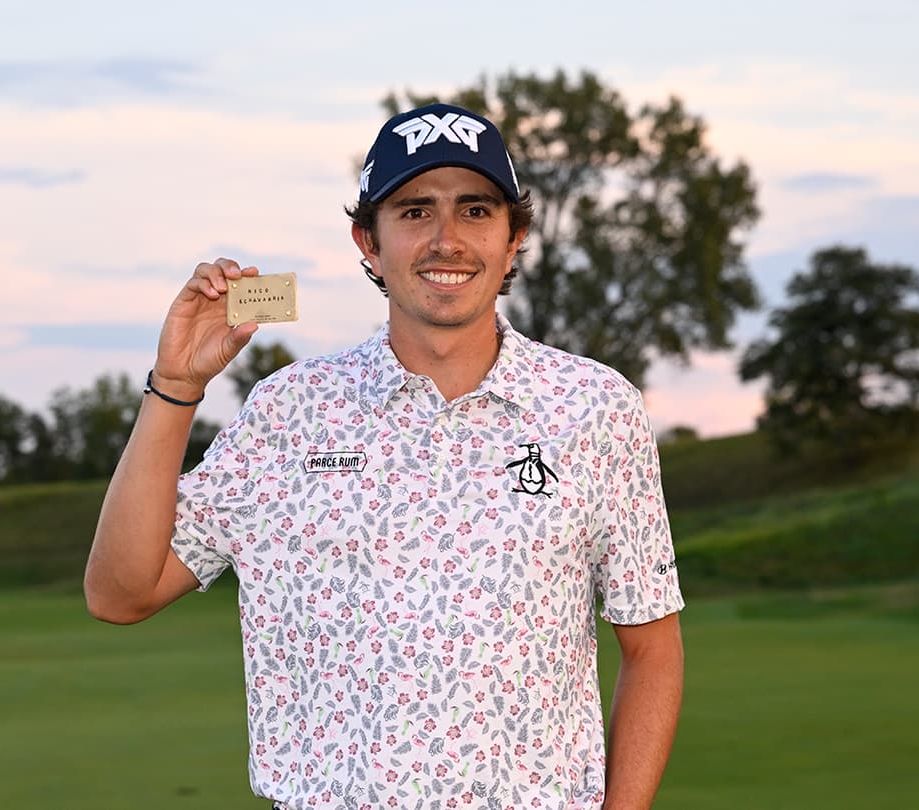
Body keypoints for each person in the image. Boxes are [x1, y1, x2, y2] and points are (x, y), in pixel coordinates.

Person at [85, 103, 684, 810]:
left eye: (475, 210)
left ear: (515, 236)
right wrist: (178, 386)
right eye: (413, 212)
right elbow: (120, 593)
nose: (446, 240)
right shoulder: (291, 412)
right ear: (367, 241)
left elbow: (652, 650)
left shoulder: (594, 407)